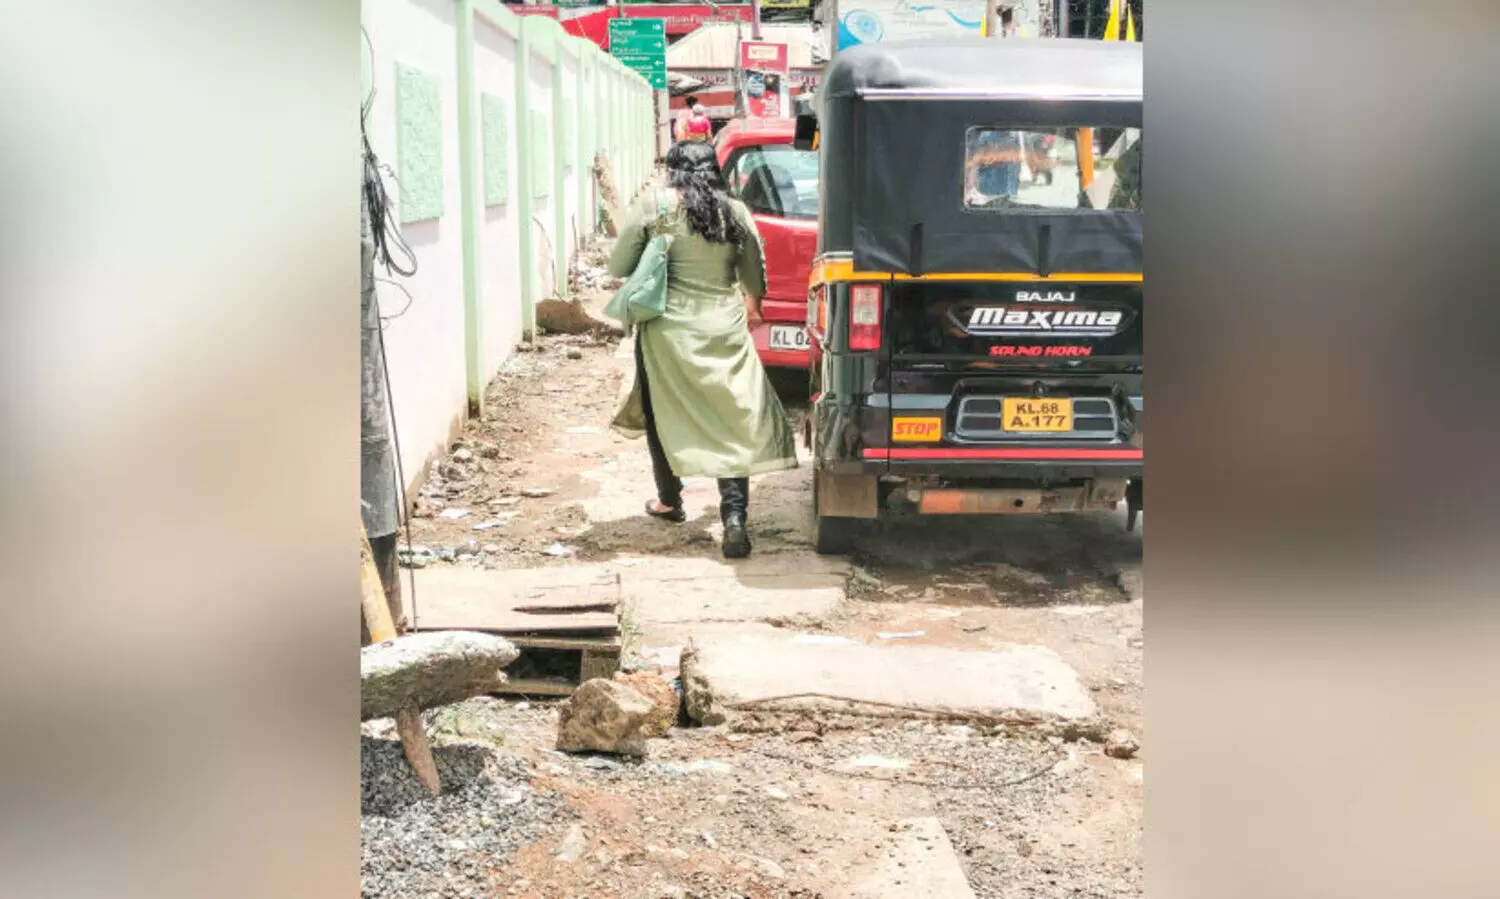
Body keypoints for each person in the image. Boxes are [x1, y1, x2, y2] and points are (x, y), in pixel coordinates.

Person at [607, 141, 797, 558]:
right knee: (732, 417)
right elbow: (754, 275)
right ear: (715, 169)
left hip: (666, 331)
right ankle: (734, 517)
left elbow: (618, 266)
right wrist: (753, 303)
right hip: (724, 329)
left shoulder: (655, 206)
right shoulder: (735, 211)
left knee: (661, 409)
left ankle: (669, 500)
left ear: (673, 170)